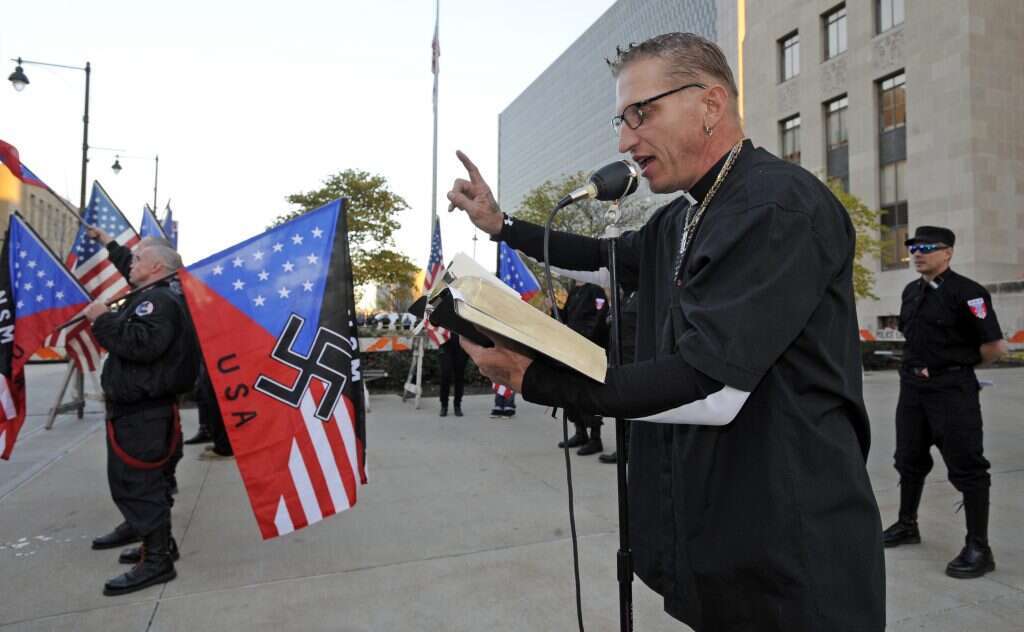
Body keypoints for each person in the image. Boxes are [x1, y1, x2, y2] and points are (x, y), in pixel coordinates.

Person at [447, 32, 884, 631]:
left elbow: (708, 386)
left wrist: (535, 379)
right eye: (620, 119)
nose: (625, 140)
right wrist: (501, 226)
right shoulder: (683, 215)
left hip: (790, 552)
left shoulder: (774, 205)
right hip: (722, 538)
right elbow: (603, 252)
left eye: (641, 113)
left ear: (711, 105)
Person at [882, 225, 1008, 579]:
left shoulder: (969, 294)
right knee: (908, 459)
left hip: (952, 390)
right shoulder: (911, 291)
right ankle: (908, 524)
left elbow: (995, 348)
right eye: (914, 247)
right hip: (913, 390)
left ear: (948, 252)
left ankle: (979, 547)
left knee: (968, 467)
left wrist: (955, 369)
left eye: (927, 247)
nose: (917, 253)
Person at [84, 228, 199, 596]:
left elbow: (142, 344)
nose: (129, 264)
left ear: (154, 266)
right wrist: (107, 242)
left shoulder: (159, 301)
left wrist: (102, 319)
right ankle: (156, 543)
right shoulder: (161, 294)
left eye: (135, 259)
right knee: (147, 484)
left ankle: (157, 561)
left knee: (138, 485)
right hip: (146, 409)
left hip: (144, 413)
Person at [556, 281, 608, 455]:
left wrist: (585, 341)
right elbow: (565, 318)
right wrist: (553, 307)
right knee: (570, 392)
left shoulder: (595, 290)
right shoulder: (574, 291)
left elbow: (600, 317)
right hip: (571, 349)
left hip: (588, 349)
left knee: (589, 393)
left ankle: (595, 438)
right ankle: (580, 433)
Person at [438, 332, 467, 417]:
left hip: (461, 345)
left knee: (459, 376)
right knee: (445, 375)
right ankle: (444, 405)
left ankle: (457, 405)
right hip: (445, 344)